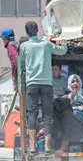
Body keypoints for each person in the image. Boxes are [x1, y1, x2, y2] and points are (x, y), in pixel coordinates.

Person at [19, 21, 68, 154]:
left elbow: (20, 66)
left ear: (27, 32)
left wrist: (19, 86)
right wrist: (62, 42)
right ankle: (47, 147)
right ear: (37, 30)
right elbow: (62, 51)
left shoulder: (24, 46)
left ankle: (32, 147)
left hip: (32, 85)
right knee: (47, 115)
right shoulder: (46, 44)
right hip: (46, 84)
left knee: (32, 114)